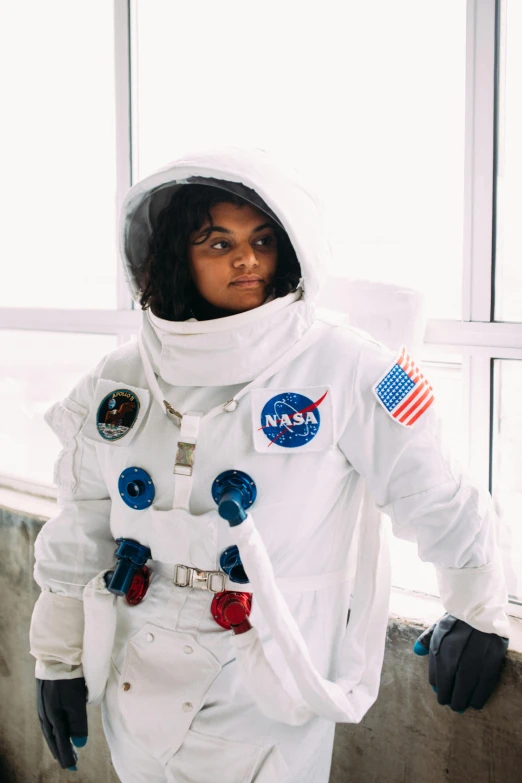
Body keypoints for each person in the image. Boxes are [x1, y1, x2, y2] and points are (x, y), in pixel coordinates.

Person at [30, 146, 510, 783]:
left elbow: (434, 490)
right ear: (176, 254)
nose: (247, 260)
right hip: (135, 677)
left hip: (268, 683)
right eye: (217, 242)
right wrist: (56, 659)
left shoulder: (349, 365)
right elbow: (84, 522)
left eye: (261, 240)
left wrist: (478, 606)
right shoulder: (120, 377)